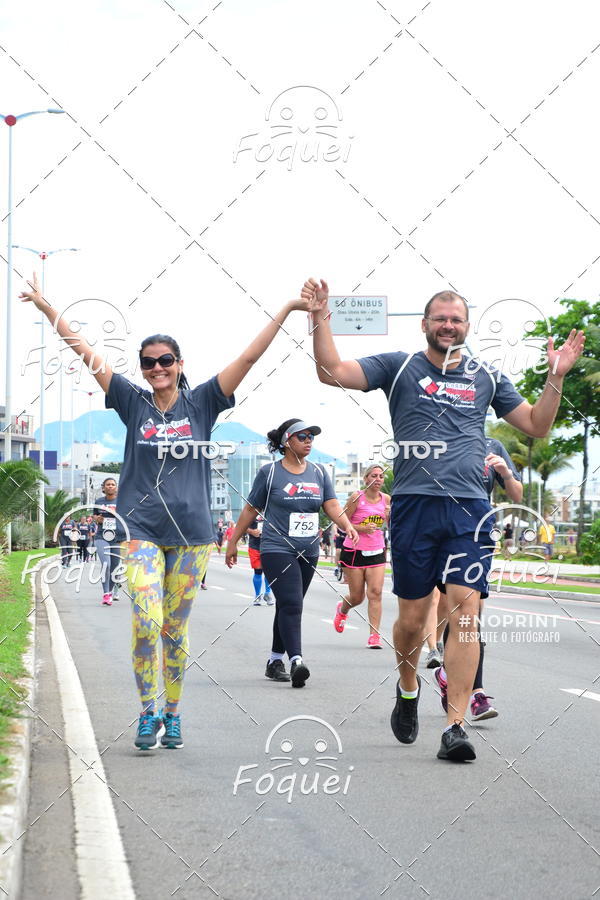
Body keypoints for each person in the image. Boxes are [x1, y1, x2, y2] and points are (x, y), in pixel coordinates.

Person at [21, 271, 312, 751]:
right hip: (140, 532)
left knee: (175, 629)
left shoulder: (203, 403)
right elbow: (85, 351)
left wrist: (286, 309)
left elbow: (249, 357)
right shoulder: (131, 403)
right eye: (149, 362)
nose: (158, 368)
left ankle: (172, 715)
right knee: (147, 620)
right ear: (142, 368)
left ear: (179, 364)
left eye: (166, 361)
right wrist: (47, 308)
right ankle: (147, 712)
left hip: (194, 535)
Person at [305, 276, 584, 761]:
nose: (449, 326)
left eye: (457, 320)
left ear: (467, 326)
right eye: (441, 319)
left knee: (466, 613)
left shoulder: (487, 376)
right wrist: (320, 316)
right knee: (412, 622)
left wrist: (555, 376)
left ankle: (456, 723)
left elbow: (537, 425)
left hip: (470, 511)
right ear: (425, 326)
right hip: (413, 506)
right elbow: (331, 371)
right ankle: (408, 686)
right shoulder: (399, 367)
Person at [225, 419, 358, 686]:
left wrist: (346, 525)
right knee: (293, 604)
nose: (309, 440)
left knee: (288, 605)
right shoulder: (269, 472)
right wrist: (232, 542)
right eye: (303, 436)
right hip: (276, 548)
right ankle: (296, 660)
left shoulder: (319, 472)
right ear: (287, 441)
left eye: (312, 436)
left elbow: (331, 504)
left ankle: (275, 660)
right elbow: (251, 509)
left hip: (308, 550)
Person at [434, 437, 523, 720]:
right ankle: (448, 677)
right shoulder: (438, 440)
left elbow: (517, 495)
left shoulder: (493, 445)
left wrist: (505, 473)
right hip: (443, 531)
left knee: (471, 614)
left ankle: (475, 693)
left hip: (478, 533)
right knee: (458, 611)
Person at [333, 464, 390, 648]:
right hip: (355, 550)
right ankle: (342, 609)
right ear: (366, 479)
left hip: (377, 550)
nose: (378, 479)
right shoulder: (357, 497)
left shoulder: (386, 499)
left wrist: (389, 518)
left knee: (376, 593)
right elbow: (342, 523)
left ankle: (374, 635)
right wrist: (361, 528)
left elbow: (389, 525)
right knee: (357, 597)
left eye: (381, 476)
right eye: (374, 475)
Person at [92, 477, 121, 606]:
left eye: (112, 484)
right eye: (108, 484)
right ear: (103, 487)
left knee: (114, 568)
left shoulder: (122, 502)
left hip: (116, 538)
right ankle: (106, 594)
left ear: (116, 487)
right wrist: (97, 518)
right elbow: (94, 516)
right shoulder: (99, 501)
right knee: (106, 564)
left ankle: (110, 591)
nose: (110, 486)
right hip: (101, 536)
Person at [247, 515, 273, 606]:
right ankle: (258, 595)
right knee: (258, 571)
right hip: (255, 546)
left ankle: (268, 593)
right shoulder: (252, 510)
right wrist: (252, 531)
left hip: (270, 545)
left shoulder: (271, 510)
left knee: (269, 571)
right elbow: (243, 526)